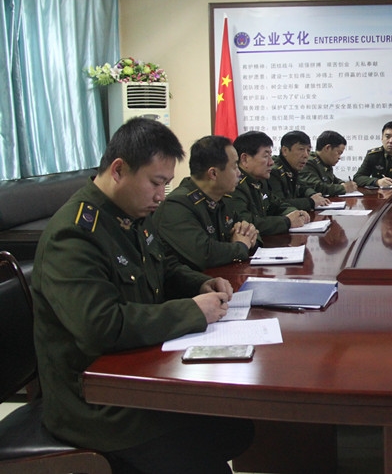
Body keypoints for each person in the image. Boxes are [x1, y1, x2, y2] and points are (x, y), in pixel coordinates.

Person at [30, 117, 253, 473]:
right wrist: (193, 312)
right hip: (95, 402)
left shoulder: (131, 214)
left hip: (137, 369)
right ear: (119, 170)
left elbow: (163, 267)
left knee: (234, 425)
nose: (161, 195)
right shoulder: (74, 235)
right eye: (155, 182)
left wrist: (199, 284)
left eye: (166, 184)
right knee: (215, 435)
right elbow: (101, 325)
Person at [154, 135, 259, 271]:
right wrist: (242, 246)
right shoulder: (176, 205)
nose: (239, 173)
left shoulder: (223, 199)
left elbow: (252, 233)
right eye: (234, 167)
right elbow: (204, 254)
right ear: (213, 174)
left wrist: (250, 233)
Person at [231, 130, 311, 238]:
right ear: (245, 159)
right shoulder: (234, 185)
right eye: (265, 156)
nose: (271, 162)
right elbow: (247, 223)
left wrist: (296, 213)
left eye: (270, 155)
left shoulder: (260, 181)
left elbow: (277, 204)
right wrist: (287, 221)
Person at [268, 130, 331, 210]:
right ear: (285, 151)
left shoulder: (292, 167)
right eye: (301, 149)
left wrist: (313, 195)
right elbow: (280, 204)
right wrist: (311, 202)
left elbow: (302, 187)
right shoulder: (273, 171)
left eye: (308, 150)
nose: (306, 155)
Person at [299, 130, 358, 196]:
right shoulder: (308, 162)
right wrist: (343, 188)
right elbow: (316, 187)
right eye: (339, 153)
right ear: (327, 148)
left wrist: (343, 184)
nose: (339, 157)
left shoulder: (324, 162)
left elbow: (333, 179)